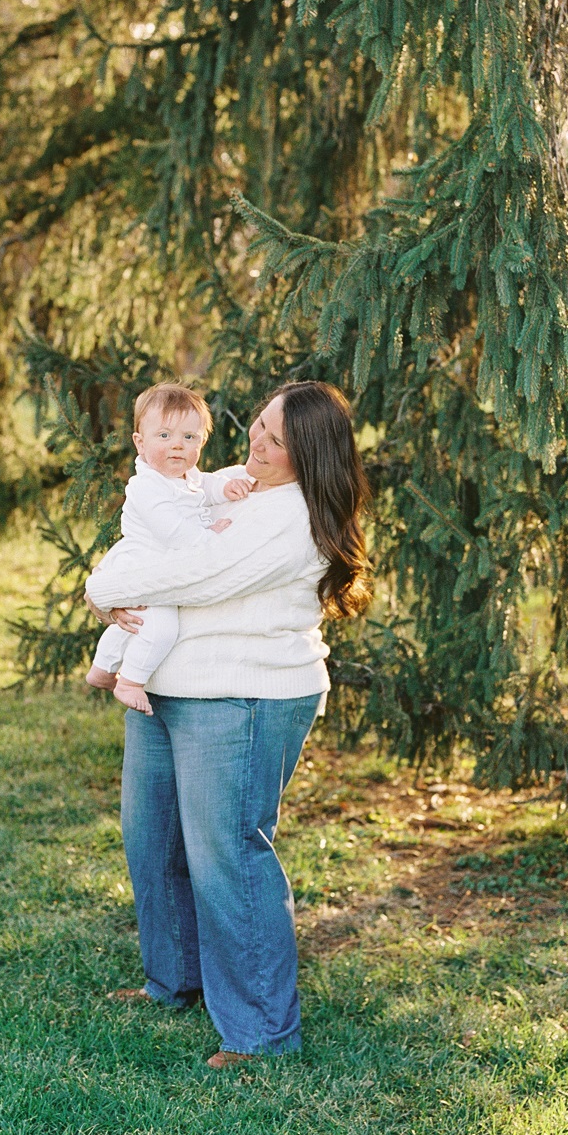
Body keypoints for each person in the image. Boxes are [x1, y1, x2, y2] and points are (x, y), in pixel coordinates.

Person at [84, 380, 371, 1068]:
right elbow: (148, 545)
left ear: (311, 453)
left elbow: (194, 574)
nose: (257, 444)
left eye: (276, 439)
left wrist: (103, 589)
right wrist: (119, 582)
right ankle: (175, 980)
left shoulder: (293, 514)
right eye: (258, 428)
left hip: (243, 695)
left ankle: (262, 1031)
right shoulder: (240, 490)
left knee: (228, 856)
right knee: (153, 838)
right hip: (165, 686)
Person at [81, 383, 254, 714]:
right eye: (165, 436)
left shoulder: (187, 475)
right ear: (140, 443)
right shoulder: (146, 487)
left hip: (154, 561)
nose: (177, 445)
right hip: (142, 563)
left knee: (132, 623)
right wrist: (209, 536)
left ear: (201, 442)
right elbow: (175, 534)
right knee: (160, 627)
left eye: (190, 437)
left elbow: (206, 485)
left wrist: (226, 488)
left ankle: (102, 669)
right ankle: (130, 681)